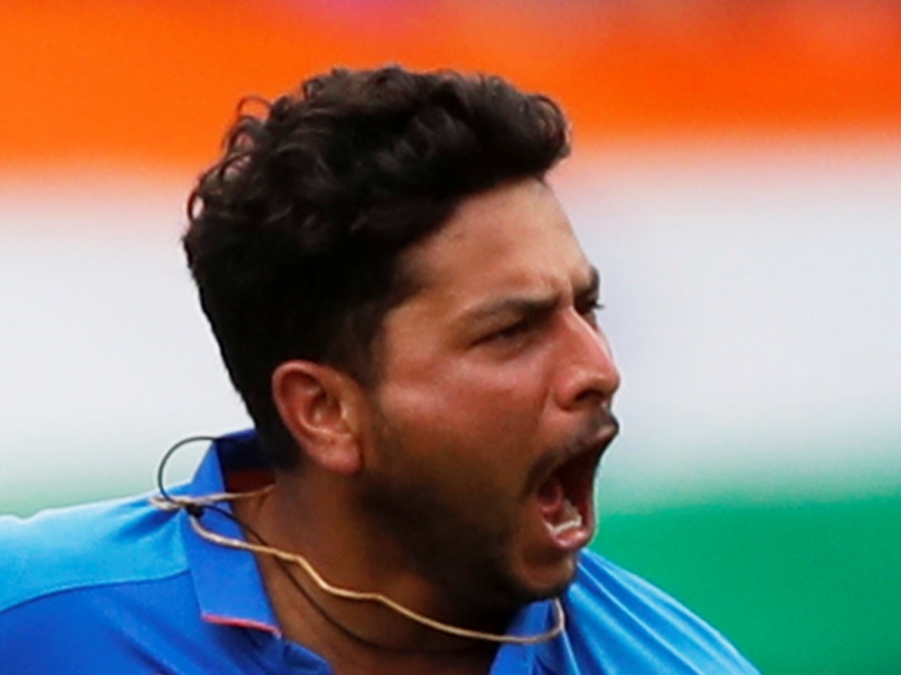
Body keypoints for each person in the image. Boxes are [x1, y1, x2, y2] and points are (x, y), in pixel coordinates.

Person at [0, 66, 759, 675]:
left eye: (586, 308)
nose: (599, 369)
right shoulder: (35, 618)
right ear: (325, 410)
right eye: (512, 331)